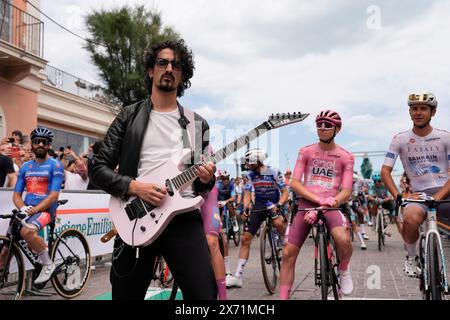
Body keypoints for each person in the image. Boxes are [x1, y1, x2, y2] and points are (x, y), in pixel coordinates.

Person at [89, 39, 217, 300]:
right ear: (151, 70)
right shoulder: (129, 116)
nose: (169, 68)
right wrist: (134, 186)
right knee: (125, 295)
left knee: (204, 296)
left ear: (183, 75)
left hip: (181, 218)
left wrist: (206, 178)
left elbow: (200, 181)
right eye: (162, 62)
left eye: (177, 64)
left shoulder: (195, 124)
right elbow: (98, 169)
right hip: (136, 214)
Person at [279, 110, 355, 299]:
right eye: (319, 124)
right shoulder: (306, 151)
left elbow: (346, 190)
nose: (322, 128)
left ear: (337, 129)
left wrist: (333, 201)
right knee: (288, 253)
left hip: (332, 205)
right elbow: (294, 183)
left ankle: (344, 270)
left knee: (343, 239)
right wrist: (318, 200)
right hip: (307, 204)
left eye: (327, 125)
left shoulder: (346, 156)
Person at [381, 91, 450, 277]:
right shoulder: (399, 139)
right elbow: (385, 171)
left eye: (423, 109)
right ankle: (411, 258)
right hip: (419, 194)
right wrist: (399, 196)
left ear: (433, 112)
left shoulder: (446, 137)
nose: (418, 112)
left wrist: (438, 197)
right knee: (410, 218)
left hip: (445, 191)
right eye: (414, 109)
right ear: (410, 112)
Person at [227, 148, 289, 288]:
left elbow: (285, 192)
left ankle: (282, 242)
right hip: (259, 205)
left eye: (248, 162)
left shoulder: (274, 172)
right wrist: (246, 207)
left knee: (279, 223)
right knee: (245, 238)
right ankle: (238, 276)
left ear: (256, 161)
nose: (247, 164)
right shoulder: (249, 175)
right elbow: (247, 194)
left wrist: (279, 204)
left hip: (273, 203)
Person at [11, 127, 64, 284]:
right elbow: (16, 195)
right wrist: (22, 208)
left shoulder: (56, 165)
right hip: (28, 210)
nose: (40, 144)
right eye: (37, 141)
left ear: (49, 145)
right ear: (32, 144)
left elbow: (54, 195)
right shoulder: (26, 167)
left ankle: (48, 264)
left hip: (46, 210)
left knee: (27, 232)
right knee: (7, 246)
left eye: (44, 142)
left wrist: (35, 209)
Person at [367, 170, 394, 235]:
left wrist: (384, 200)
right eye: (375, 181)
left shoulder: (386, 184)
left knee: (392, 205)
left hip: (385, 199)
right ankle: (374, 223)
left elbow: (390, 197)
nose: (377, 183)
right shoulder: (371, 185)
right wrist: (374, 199)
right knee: (373, 204)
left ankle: (387, 224)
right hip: (376, 199)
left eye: (379, 181)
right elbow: (369, 196)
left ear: (382, 180)